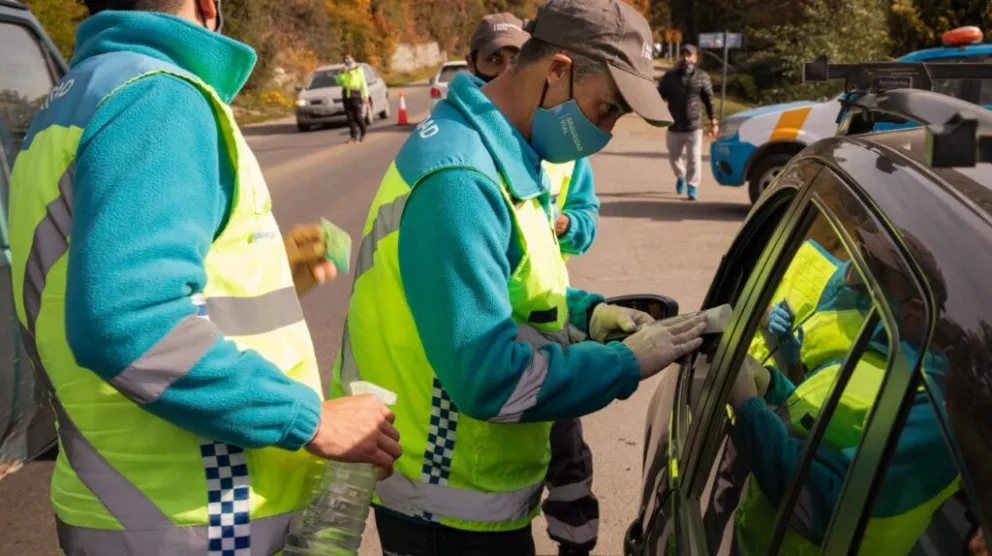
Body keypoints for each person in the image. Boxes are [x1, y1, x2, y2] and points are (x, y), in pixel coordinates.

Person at [7, 1, 401, 554]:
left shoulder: (69, 105)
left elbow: (89, 286)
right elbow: (128, 323)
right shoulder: (158, 96)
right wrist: (310, 420)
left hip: (122, 505)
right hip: (207, 515)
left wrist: (275, 271)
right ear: (207, 6)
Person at [331, 0, 704, 554]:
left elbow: (511, 288)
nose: (604, 132)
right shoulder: (463, 180)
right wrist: (624, 365)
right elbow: (489, 378)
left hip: (471, 490)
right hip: (446, 501)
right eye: (604, 109)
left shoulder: (504, 154)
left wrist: (586, 314)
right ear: (556, 70)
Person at [466, 13, 603, 555]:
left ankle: (577, 543)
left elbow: (588, 217)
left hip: (550, 322)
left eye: (511, 56)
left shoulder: (563, 142)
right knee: (503, 457)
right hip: (488, 340)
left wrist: (568, 225)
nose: (502, 66)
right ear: (473, 63)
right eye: (490, 58)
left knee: (568, 456)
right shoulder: (465, 150)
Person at [658, 44, 718, 201]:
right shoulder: (669, 77)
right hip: (674, 126)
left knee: (694, 158)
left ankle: (692, 187)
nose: (686, 58)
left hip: (694, 126)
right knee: (674, 157)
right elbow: (658, 97)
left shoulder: (702, 77)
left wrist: (714, 121)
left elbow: (709, 100)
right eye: (683, 54)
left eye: (689, 55)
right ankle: (681, 176)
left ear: (695, 58)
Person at [337, 54, 369, 143]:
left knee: (357, 115)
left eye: (348, 57)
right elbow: (338, 81)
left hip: (356, 94)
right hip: (346, 94)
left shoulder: (358, 69)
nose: (347, 59)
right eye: (345, 58)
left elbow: (363, 83)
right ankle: (353, 136)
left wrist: (365, 96)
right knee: (350, 117)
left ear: (352, 58)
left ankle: (363, 130)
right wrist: (343, 73)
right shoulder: (343, 70)